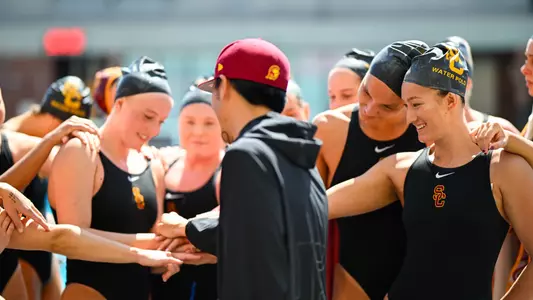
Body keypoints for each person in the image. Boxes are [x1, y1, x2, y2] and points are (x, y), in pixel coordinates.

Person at [328, 43, 533, 299]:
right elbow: (319, 205)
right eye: (405, 106)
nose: (410, 117)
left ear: (449, 100)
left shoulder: (503, 168)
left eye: (416, 104)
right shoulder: (401, 169)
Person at [187, 38, 327, 300]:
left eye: (212, 92)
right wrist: (192, 230)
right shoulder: (302, 151)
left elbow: (248, 260)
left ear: (224, 86)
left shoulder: (246, 154)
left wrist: (187, 229)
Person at [48, 56, 176, 300]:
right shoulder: (83, 152)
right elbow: (72, 238)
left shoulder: (153, 164)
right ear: (119, 103)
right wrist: (151, 245)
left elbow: (157, 256)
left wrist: (182, 248)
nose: (154, 130)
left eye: (161, 122)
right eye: (148, 117)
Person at [313, 41, 428, 300]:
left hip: (417, 278)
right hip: (350, 278)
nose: (368, 109)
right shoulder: (329, 129)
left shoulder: (429, 134)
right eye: (365, 92)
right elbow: (304, 211)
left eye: (387, 106)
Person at [2, 75, 93, 300]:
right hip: (17, 248)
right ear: (56, 120)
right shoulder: (16, 142)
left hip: (41, 248)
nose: (71, 140)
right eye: (71, 133)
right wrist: (50, 140)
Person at [151, 82, 223, 300]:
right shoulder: (163, 164)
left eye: (209, 123)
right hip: (164, 278)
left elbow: (231, 225)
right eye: (189, 122)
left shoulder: (229, 170)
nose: (198, 131)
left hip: (211, 283)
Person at [443, 36, 519, 133]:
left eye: (454, 79)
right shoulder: (426, 132)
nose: (445, 87)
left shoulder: (503, 130)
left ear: (468, 83)